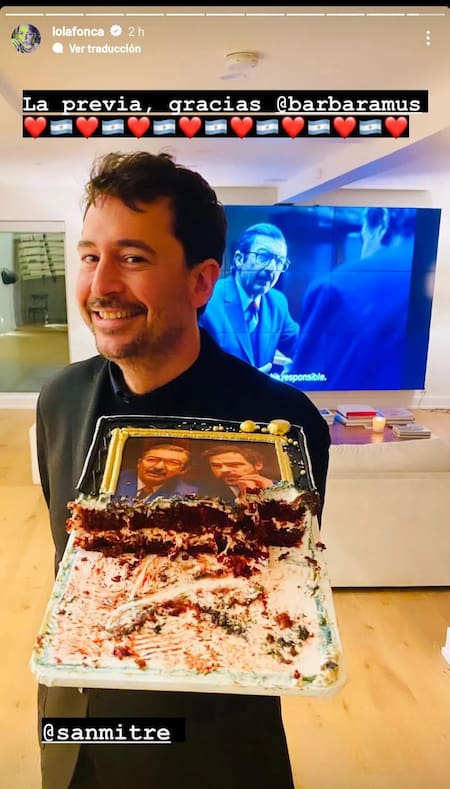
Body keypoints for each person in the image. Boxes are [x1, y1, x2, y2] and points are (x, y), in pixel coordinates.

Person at [36, 151, 330, 789]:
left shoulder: (280, 425)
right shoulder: (58, 400)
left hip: (210, 743)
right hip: (75, 722)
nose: (101, 285)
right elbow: (71, 566)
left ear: (201, 283)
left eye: (133, 258)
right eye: (90, 256)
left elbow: (273, 590)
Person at [290, 207, 416, 390]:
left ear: (382, 223)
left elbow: (306, 388)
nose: (363, 253)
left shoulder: (335, 286)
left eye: (364, 237)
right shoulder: (432, 273)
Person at [199, 222, 299, 374]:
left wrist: (296, 370)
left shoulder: (278, 302)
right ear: (239, 259)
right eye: (263, 256)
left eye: (279, 262)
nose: (272, 268)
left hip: (265, 396)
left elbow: (303, 349)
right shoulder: (208, 299)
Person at [115, 440, 198, 501]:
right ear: (139, 463)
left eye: (172, 463)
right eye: (152, 460)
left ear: (184, 470)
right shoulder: (115, 480)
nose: (159, 467)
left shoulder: (187, 494)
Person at [202, 444, 275, 500]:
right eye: (216, 466)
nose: (223, 470)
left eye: (234, 465)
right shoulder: (203, 492)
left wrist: (271, 492)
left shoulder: (280, 486)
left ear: (258, 465)